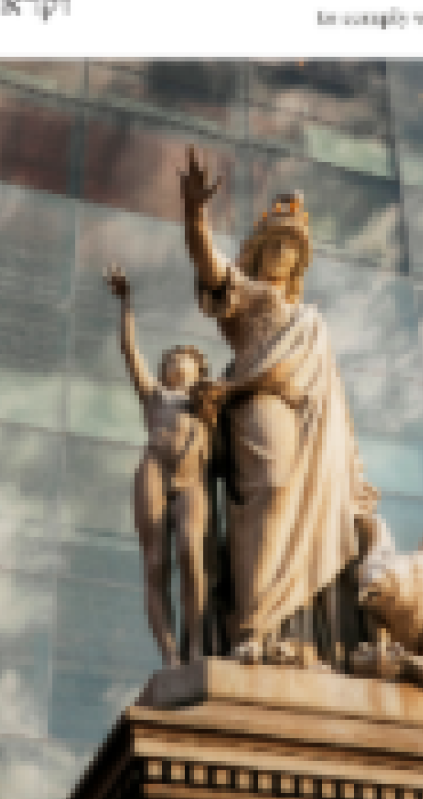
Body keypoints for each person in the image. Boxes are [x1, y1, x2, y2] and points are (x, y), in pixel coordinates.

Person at [178, 148, 380, 669]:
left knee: (305, 509)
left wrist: (354, 476)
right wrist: (195, 214)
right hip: (258, 404)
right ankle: (252, 626)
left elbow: (337, 404)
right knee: (270, 491)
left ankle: (287, 635)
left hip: (311, 427)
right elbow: (208, 263)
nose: (283, 255)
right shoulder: (248, 296)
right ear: (260, 251)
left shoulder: (310, 320)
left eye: (292, 248)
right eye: (276, 245)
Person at [104, 263, 215, 667]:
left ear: (197, 368)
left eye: (180, 357)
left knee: (191, 553)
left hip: (192, 477)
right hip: (154, 468)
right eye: (168, 359)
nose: (172, 363)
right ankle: (170, 655)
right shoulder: (155, 396)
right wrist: (126, 301)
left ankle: (196, 646)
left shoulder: (209, 402)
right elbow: (130, 350)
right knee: (156, 562)